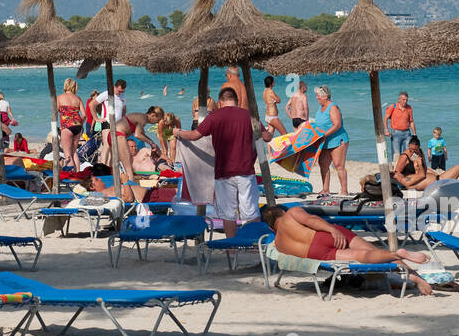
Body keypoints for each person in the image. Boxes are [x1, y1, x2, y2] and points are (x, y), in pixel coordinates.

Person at [259, 204, 432, 295]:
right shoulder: (291, 214)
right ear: (281, 212)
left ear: (271, 227)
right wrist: (332, 229)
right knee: (370, 249)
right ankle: (411, 272)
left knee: (362, 256)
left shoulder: (278, 242)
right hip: (321, 235)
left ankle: (396, 256)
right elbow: (311, 220)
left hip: (316, 253)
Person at [173, 87, 269, 236]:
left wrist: (177, 132)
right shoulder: (249, 116)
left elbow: (193, 135)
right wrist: (272, 130)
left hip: (223, 172)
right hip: (246, 171)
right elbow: (266, 137)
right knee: (251, 211)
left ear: (220, 101)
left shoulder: (215, 116)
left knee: (228, 214)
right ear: (236, 100)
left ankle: (231, 248)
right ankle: (254, 243)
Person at [390, 135, 459, 193]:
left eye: (415, 150)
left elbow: (424, 169)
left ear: (419, 147)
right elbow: (397, 173)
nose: (413, 152)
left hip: (436, 179)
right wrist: (405, 182)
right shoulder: (404, 157)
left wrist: (431, 172)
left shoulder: (420, 152)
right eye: (411, 150)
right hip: (433, 183)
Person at [312, 84, 350, 196]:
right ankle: (325, 189)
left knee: (338, 165)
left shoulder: (333, 107)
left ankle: (344, 191)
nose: (316, 97)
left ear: (325, 96)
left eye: (318, 95)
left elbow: (337, 125)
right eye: (316, 95)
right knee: (323, 163)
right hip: (325, 141)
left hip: (338, 140)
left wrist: (324, 135)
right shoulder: (320, 107)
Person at [57, 78, 85, 164]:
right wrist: (80, 123)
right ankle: (78, 173)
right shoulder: (78, 98)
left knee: (67, 155)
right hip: (78, 126)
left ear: (65, 86)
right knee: (74, 152)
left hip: (66, 126)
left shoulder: (59, 98)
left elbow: (54, 112)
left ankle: (71, 175)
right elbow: (84, 115)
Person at [384, 91, 415, 160]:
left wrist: (414, 134)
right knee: (396, 155)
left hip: (407, 133)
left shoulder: (409, 108)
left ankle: (406, 169)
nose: (405, 101)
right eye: (403, 99)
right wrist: (386, 130)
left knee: (408, 154)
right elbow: (385, 118)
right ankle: (396, 169)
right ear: (399, 99)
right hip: (396, 133)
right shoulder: (393, 106)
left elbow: (411, 121)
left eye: (406, 100)